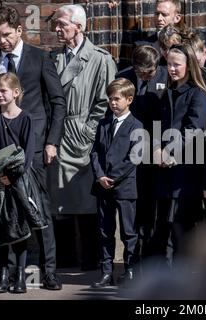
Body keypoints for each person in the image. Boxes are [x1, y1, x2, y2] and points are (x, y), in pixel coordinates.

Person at [0, 5, 66, 290]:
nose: (1, 40)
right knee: (2, 210)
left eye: (6, 35)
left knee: (38, 209)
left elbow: (57, 102)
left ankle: (49, 271)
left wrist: (51, 141)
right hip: (1, 149)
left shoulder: (40, 58)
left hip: (33, 148)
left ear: (18, 30)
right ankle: (6, 272)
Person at [48, 4, 117, 271]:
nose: (57, 29)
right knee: (59, 200)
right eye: (56, 24)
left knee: (88, 201)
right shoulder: (52, 58)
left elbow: (106, 102)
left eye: (63, 24)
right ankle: (63, 259)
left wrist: (88, 131)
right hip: (58, 136)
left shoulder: (100, 59)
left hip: (84, 139)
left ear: (79, 26)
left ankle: (91, 259)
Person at [0, 72, 46, 294]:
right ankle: (2, 274)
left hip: (18, 182)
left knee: (19, 229)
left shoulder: (26, 118)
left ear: (15, 93)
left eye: (3, 91)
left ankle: (20, 276)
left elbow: (27, 154)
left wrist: (13, 175)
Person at [150, 43, 206, 269]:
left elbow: (194, 129)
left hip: (186, 169)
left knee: (182, 225)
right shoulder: (166, 92)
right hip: (164, 168)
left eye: (177, 65)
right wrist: (157, 148)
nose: (172, 69)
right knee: (164, 224)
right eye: (169, 64)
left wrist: (169, 150)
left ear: (189, 65)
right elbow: (158, 125)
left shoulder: (198, 94)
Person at [90, 78, 143, 287]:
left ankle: (130, 270)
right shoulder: (103, 123)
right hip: (103, 186)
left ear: (129, 99)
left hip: (125, 186)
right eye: (110, 99)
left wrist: (114, 177)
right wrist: (100, 175)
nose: (112, 103)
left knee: (128, 232)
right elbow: (95, 152)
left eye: (117, 99)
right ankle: (106, 272)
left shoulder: (136, 125)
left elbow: (134, 157)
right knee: (105, 231)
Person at [117, 45, 167, 263]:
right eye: (141, 72)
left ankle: (153, 256)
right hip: (130, 152)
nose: (146, 76)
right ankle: (132, 260)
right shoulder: (123, 77)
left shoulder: (166, 76)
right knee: (133, 209)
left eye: (150, 72)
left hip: (157, 150)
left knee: (155, 209)